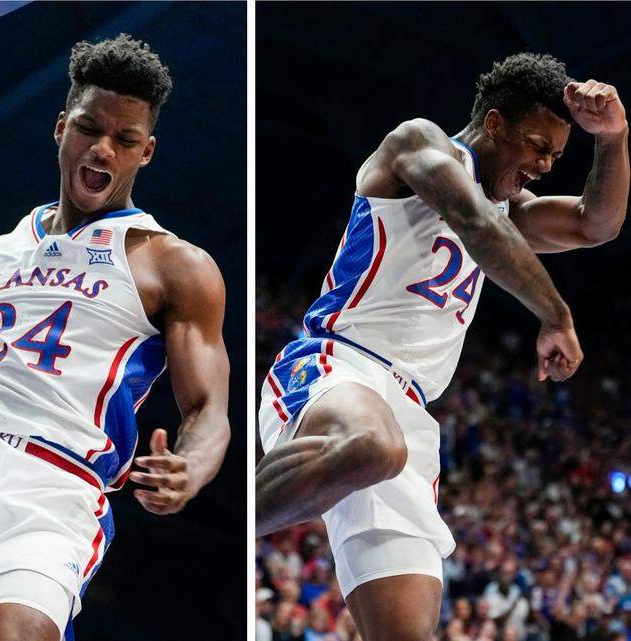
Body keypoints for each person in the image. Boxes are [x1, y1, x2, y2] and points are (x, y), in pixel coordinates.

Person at [0, 34, 231, 641]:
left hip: (62, 487)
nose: (103, 148)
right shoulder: (4, 248)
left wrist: (190, 467)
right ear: (62, 127)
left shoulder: (174, 264)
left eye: (125, 139)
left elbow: (209, 408)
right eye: (89, 128)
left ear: (146, 152)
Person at [256, 52, 628, 639]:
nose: (544, 165)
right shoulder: (417, 145)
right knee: (372, 444)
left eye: (556, 156)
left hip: (410, 412)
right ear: (496, 123)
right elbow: (475, 223)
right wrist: (555, 314)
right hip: (336, 365)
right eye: (538, 146)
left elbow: (595, 224)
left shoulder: (510, 210)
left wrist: (613, 137)